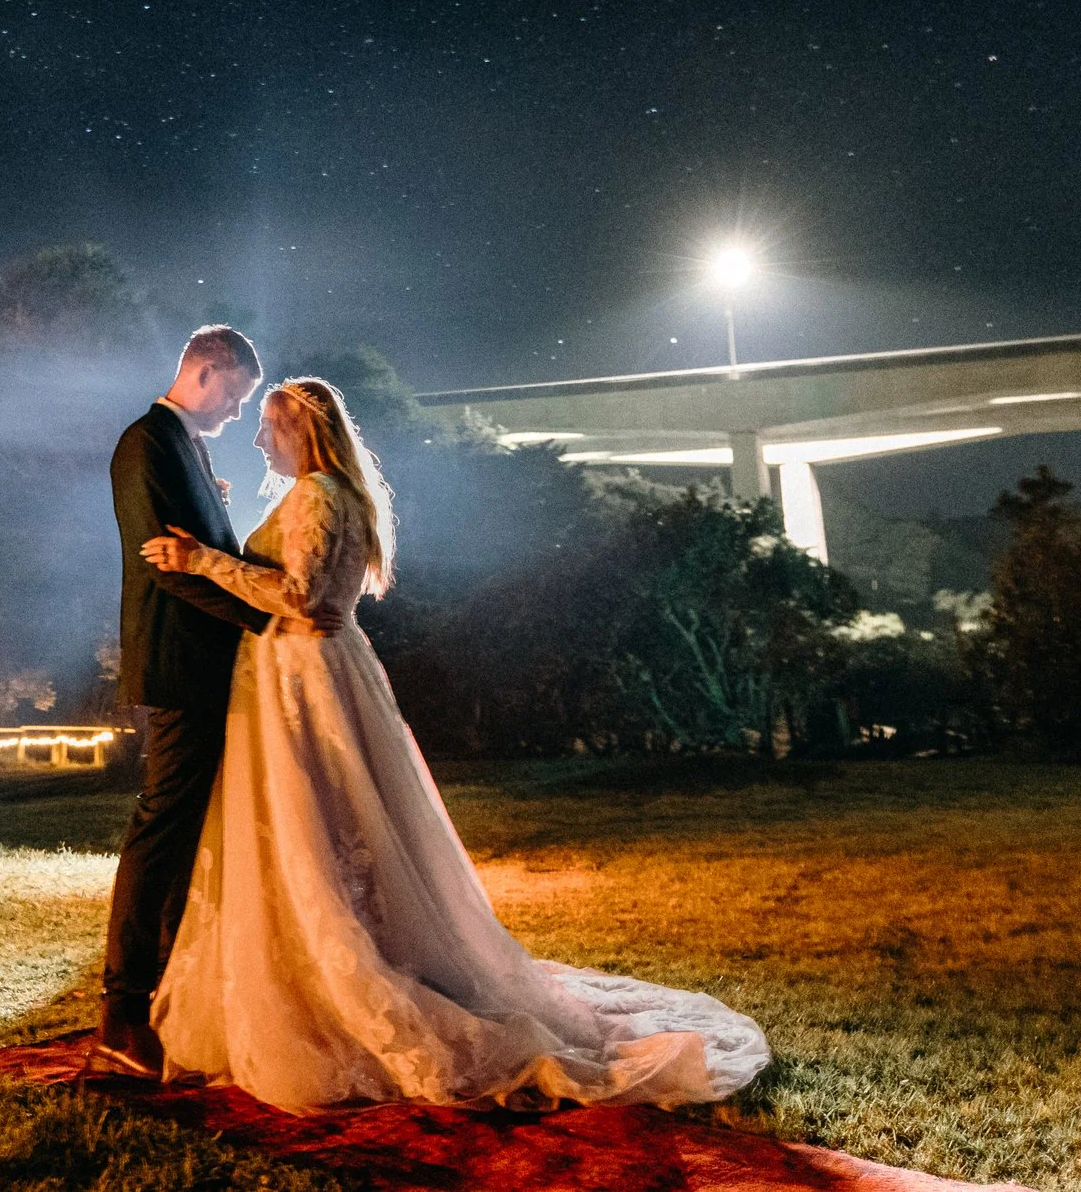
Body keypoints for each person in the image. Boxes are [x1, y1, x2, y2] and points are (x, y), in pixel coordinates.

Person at [137, 377, 771, 1112]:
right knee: (335, 824)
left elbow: (304, 600)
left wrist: (202, 562)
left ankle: (340, 975)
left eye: (268, 427)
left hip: (303, 680)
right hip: (321, 676)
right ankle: (334, 951)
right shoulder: (330, 493)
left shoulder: (317, 494)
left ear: (300, 432)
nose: (257, 440)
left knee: (314, 824)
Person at [89, 325, 269, 1080]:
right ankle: (123, 1008)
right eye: (236, 394)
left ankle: (161, 994)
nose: (236, 412)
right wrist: (268, 617)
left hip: (203, 663)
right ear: (206, 370)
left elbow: (205, 548)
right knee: (162, 828)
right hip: (177, 664)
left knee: (185, 827)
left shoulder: (185, 444)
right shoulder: (146, 442)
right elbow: (170, 567)